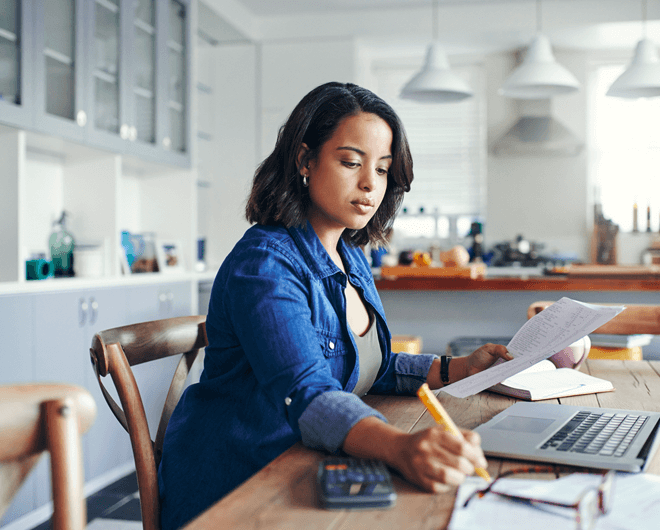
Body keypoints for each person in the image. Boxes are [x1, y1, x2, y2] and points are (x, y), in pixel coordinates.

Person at [157, 81, 511, 529]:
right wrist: (401, 446)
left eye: (382, 170)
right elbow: (309, 391)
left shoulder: (351, 256)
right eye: (351, 162)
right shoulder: (264, 264)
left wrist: (460, 368)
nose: (370, 183)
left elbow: (370, 366)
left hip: (305, 466)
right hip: (240, 486)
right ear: (305, 160)